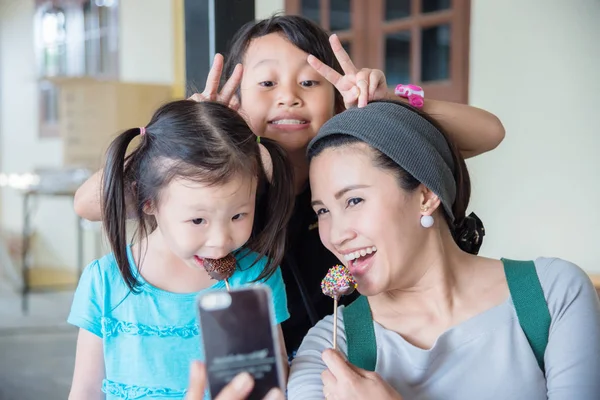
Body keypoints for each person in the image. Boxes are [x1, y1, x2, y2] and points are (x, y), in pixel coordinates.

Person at [72, 15, 506, 357]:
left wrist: (391, 101)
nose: (288, 96)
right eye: (267, 83)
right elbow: (90, 204)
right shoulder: (222, 181)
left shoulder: (363, 151)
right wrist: (183, 136)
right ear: (237, 99)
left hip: (366, 351)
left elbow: (490, 132)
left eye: (309, 81)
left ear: (335, 95)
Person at [287, 100, 600, 399]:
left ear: (426, 195)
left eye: (354, 200)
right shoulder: (328, 348)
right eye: (323, 211)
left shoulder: (552, 292)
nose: (336, 235)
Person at [67, 101, 293, 400]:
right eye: (198, 219)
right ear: (148, 201)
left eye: (238, 215)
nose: (220, 240)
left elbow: (274, 384)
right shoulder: (104, 282)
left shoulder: (256, 278)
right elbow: (84, 392)